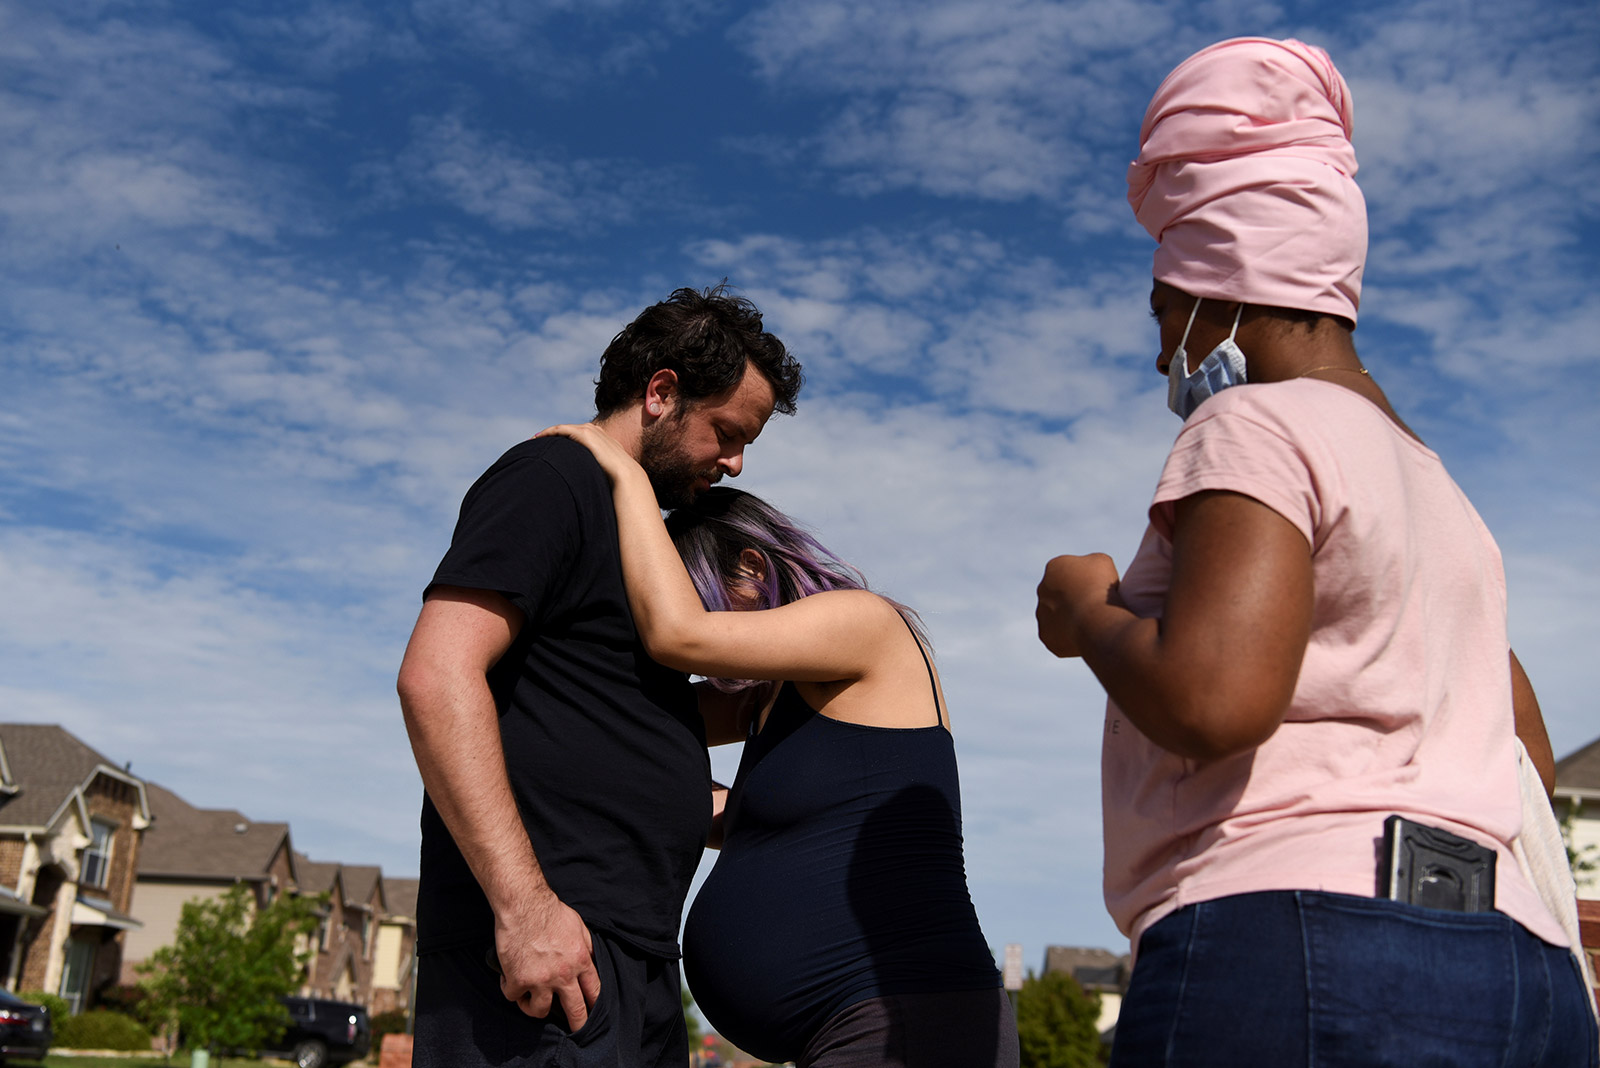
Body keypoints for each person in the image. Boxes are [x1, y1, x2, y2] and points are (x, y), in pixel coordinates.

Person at [1034, 38, 1598, 1066]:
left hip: (1300, 950)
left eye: (1168, 312)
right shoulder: (1441, 491)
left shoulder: (1252, 428)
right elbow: (1521, 746)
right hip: (1522, 974)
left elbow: (1216, 700)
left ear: (1221, 286)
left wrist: (1088, 618)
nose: (1164, 351)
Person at [396, 285, 803, 1068]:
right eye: (726, 432)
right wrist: (525, 909)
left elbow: (613, 724)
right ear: (661, 393)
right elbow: (436, 675)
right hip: (545, 955)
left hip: (632, 960)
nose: (736, 461)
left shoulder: (644, 534)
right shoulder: (553, 476)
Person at [533, 419, 1018, 1068]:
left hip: (911, 1015)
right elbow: (631, 724)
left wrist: (627, 477)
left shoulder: (865, 624)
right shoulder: (770, 696)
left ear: (753, 568)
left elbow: (678, 635)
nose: (689, 642)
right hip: (856, 1030)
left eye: (703, 596)